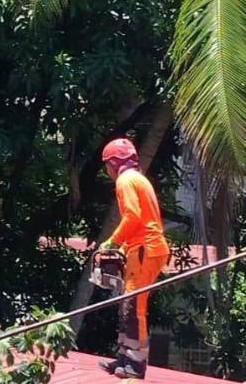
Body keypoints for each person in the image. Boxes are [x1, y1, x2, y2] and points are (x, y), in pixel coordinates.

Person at [97, 138, 170, 380]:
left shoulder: (125, 180)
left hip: (145, 249)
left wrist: (112, 242)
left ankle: (136, 364)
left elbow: (133, 216)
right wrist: (123, 247)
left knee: (133, 306)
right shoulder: (138, 179)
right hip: (143, 248)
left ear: (113, 163)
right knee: (127, 305)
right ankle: (125, 357)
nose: (107, 170)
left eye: (107, 165)